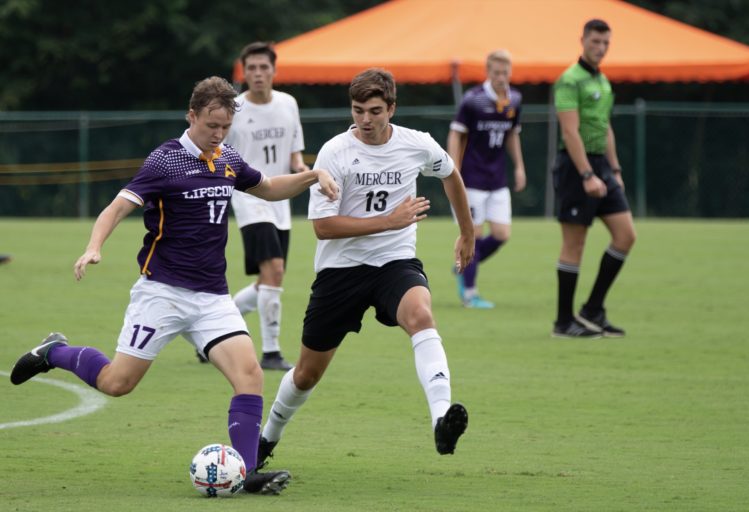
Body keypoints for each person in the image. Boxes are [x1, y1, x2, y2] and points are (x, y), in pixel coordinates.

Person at [9, 76, 338, 495]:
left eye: (224, 127)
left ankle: (246, 472)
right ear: (192, 116)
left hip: (212, 297)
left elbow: (270, 188)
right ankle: (54, 351)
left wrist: (314, 175)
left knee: (250, 375)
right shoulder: (166, 161)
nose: (217, 135)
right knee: (117, 384)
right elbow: (117, 207)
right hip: (161, 293)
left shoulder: (227, 158)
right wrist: (93, 247)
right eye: (210, 126)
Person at [254, 68, 475, 471]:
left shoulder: (417, 144)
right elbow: (323, 227)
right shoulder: (334, 153)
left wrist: (467, 231)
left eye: (375, 111)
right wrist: (390, 220)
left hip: (395, 263)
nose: (366, 120)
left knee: (421, 315)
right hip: (341, 271)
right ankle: (266, 438)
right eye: (358, 111)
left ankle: (442, 418)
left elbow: (451, 175)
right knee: (306, 375)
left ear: (391, 108)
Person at [210, 41, 309, 371]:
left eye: (263, 67)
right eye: (250, 68)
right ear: (243, 72)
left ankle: (210, 333)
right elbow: (216, 152)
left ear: (274, 71)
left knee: (269, 281)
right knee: (274, 271)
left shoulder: (288, 104)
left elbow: (295, 152)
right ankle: (270, 352)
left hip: (280, 200)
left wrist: (302, 170)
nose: (257, 73)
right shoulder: (233, 110)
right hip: (250, 199)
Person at [551, 19, 636, 338]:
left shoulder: (604, 82)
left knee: (626, 235)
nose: (600, 48)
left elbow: (606, 128)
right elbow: (570, 132)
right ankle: (563, 322)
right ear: (583, 40)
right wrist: (587, 173)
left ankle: (593, 310)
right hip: (576, 169)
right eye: (595, 42)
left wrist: (614, 170)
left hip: (602, 167)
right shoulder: (569, 81)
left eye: (605, 44)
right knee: (575, 244)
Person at [447, 49, 526, 309]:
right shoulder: (473, 100)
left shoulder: (514, 99)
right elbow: (456, 134)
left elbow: (513, 134)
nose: (501, 77)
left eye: (505, 73)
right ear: (488, 73)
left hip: (497, 179)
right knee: (474, 235)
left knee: (502, 234)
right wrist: (452, 167)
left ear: (510, 73)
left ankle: (464, 264)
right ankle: (470, 293)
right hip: (471, 179)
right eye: (496, 73)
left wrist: (519, 167)